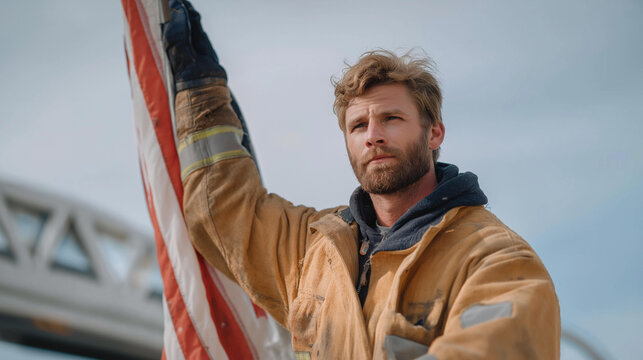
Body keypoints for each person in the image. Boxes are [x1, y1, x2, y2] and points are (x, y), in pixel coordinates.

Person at [163, 1, 561, 359]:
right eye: (358, 125)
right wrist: (202, 96)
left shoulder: (495, 260)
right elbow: (224, 213)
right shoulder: (314, 250)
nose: (373, 135)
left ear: (434, 133)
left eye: (391, 118)